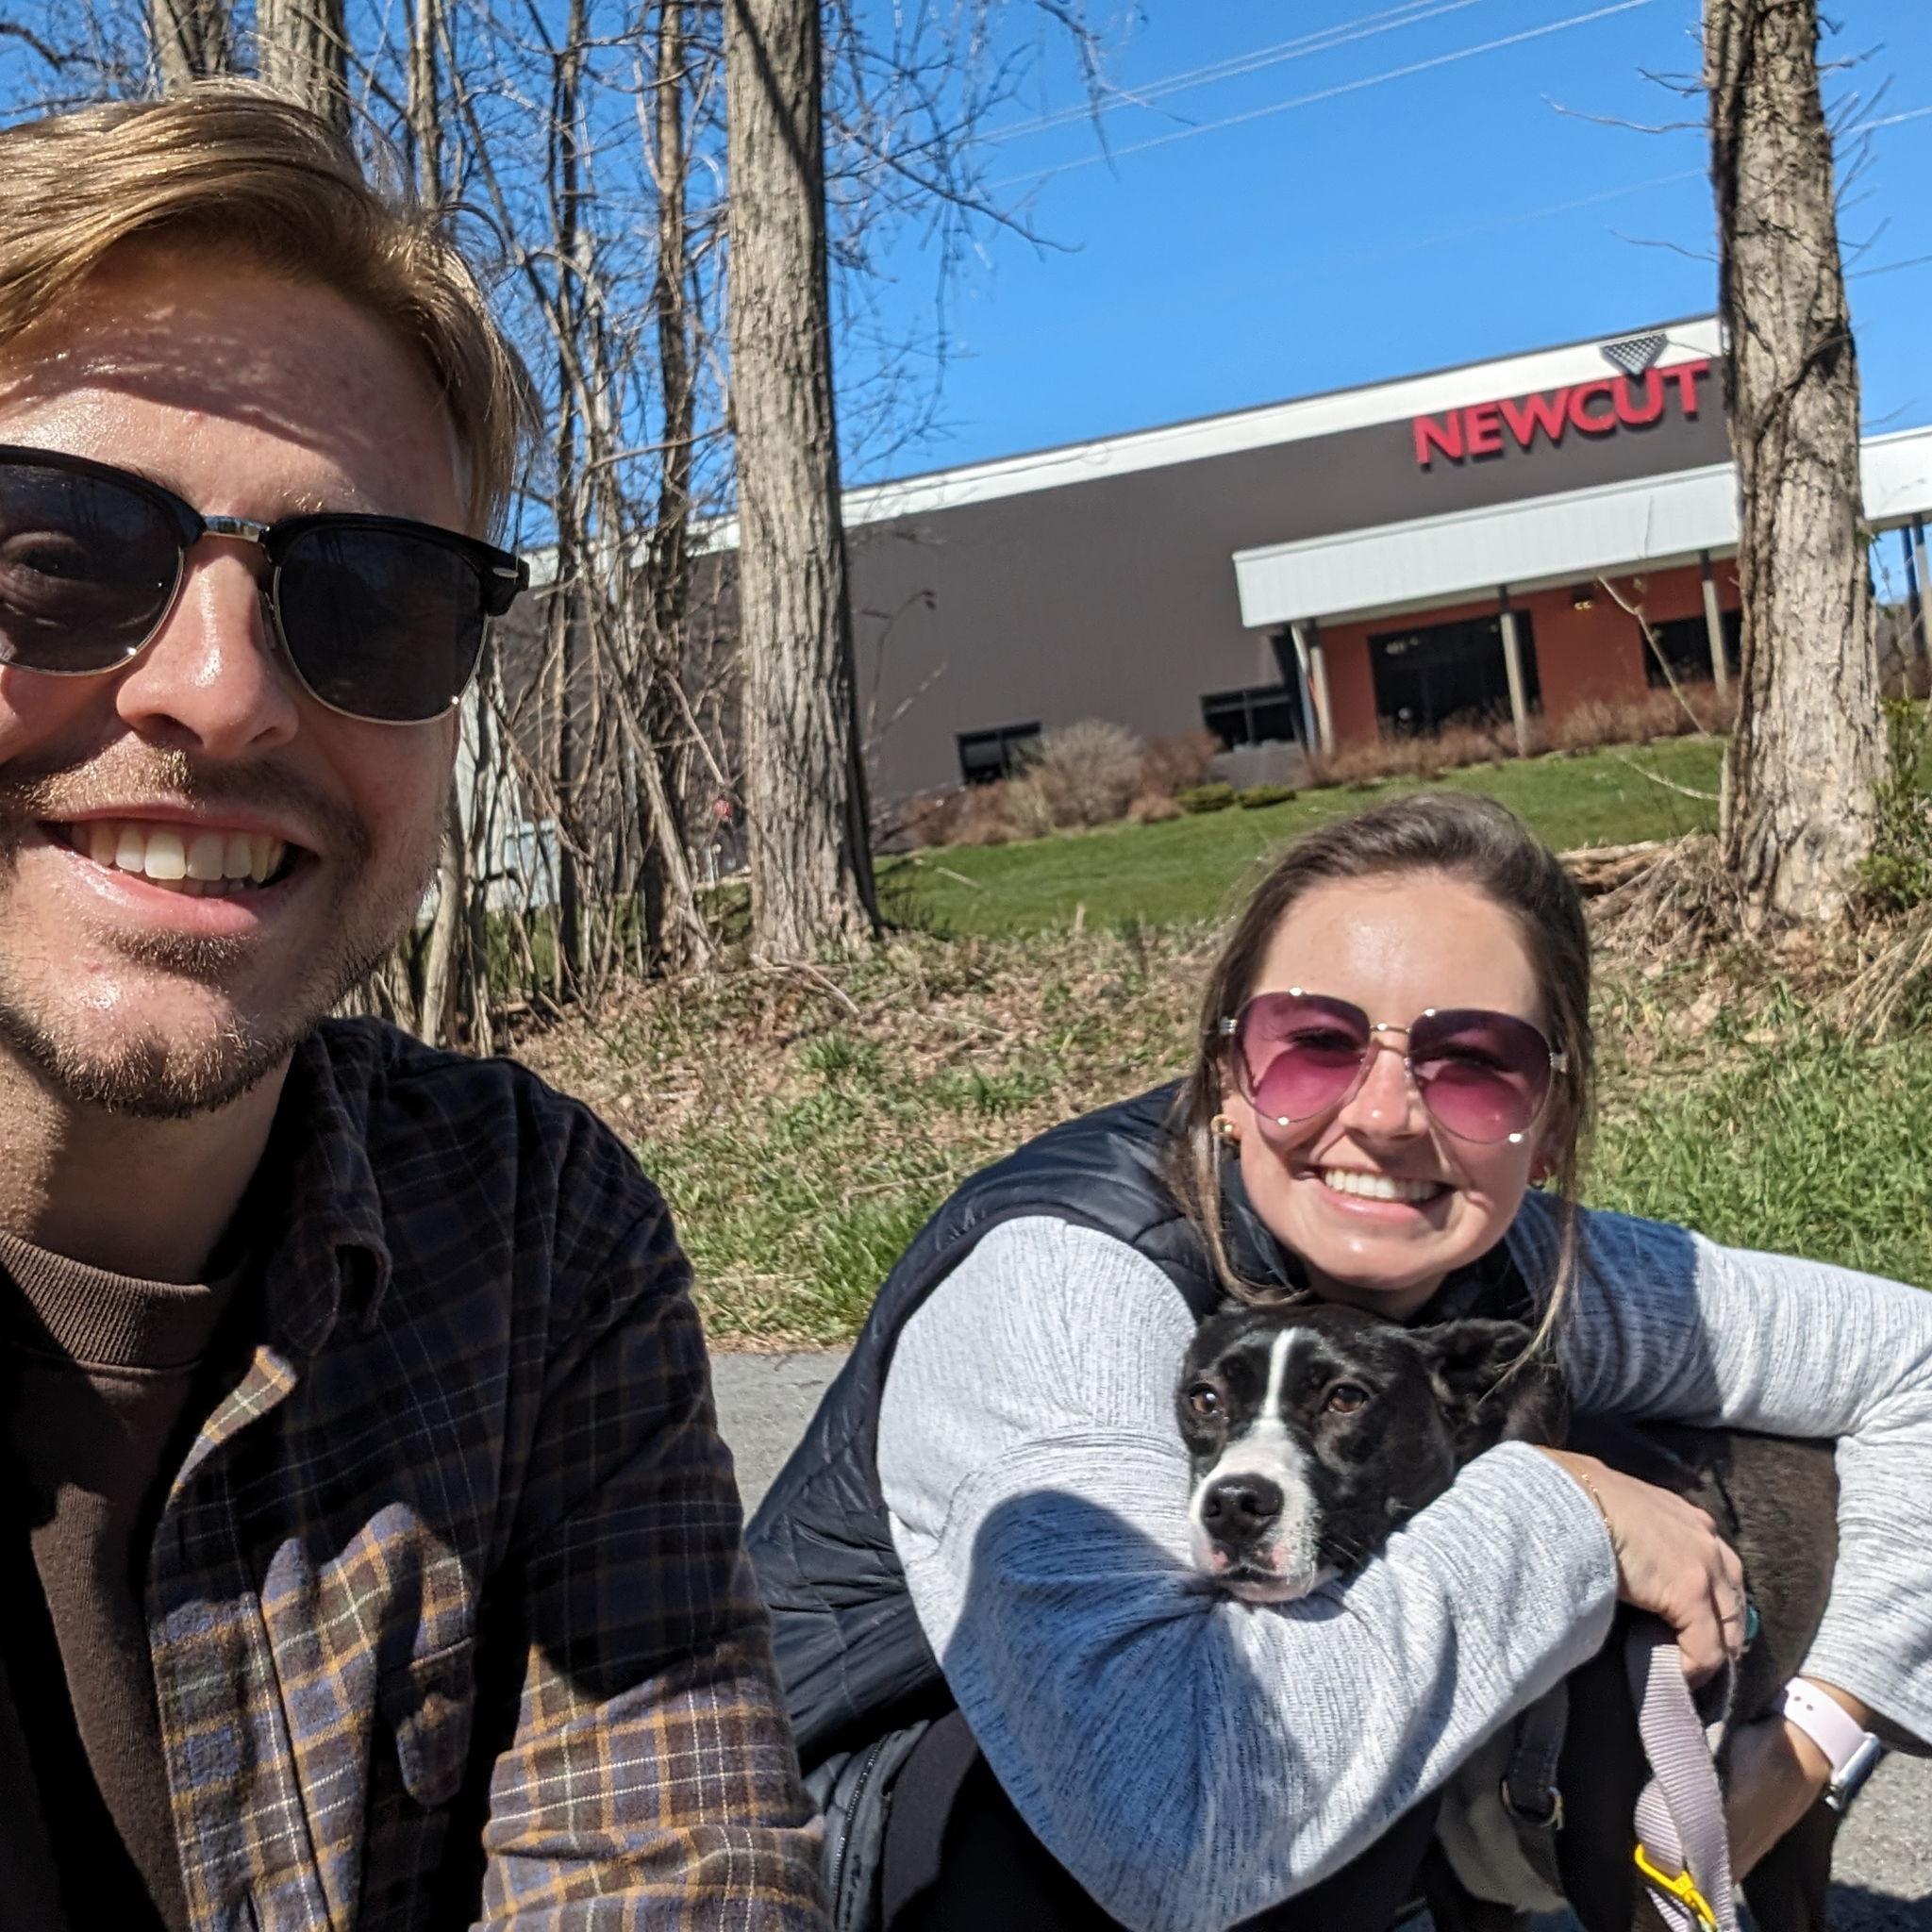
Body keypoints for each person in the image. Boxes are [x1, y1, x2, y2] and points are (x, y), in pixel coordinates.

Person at [0, 86, 822, 1930]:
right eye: (51, 556)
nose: (222, 693)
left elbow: (675, 1876)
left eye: (366, 597)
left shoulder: (531, 1228)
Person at [749, 790, 1932, 1932]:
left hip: (1175, 1816)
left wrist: (1809, 1742)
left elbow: (1915, 1360)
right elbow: (1173, 1816)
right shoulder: (1062, 1282)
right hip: (837, 1840)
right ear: (1224, 1079)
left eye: (1472, 1060)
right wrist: (1563, 1510)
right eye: (1314, 1044)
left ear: (1549, 1122)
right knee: (1323, 1683)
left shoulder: (1514, 1250)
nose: (1385, 1114)